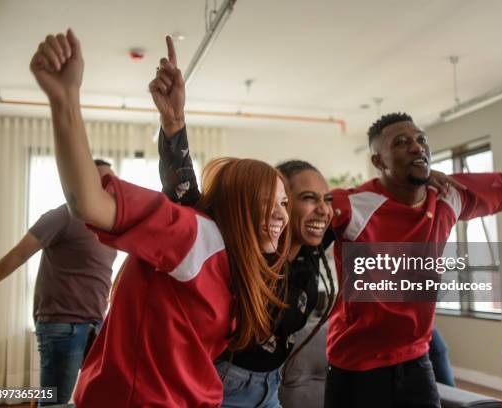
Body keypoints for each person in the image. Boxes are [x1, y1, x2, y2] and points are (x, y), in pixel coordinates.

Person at [151, 37, 466, 407]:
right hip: (223, 387)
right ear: (278, 204)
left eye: (324, 199)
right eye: (304, 199)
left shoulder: (311, 250)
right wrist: (173, 125)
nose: (322, 209)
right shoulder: (241, 247)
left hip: (271, 387)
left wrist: (421, 174)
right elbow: (186, 200)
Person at [29, 29, 291, 407]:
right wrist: (64, 97)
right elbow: (87, 202)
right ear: (238, 203)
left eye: (284, 203)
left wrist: (175, 122)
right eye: (269, 200)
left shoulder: (241, 265)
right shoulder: (194, 237)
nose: (281, 215)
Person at [324, 112, 502, 407]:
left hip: (416, 359)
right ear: (379, 162)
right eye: (401, 143)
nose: (416, 147)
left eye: (421, 139)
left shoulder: (446, 195)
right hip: (356, 365)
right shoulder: (352, 205)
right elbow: (300, 218)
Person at [0, 160, 117, 406]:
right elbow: (17, 255)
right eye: (101, 179)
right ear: (84, 183)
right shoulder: (62, 216)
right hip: (62, 325)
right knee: (55, 400)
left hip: (96, 324)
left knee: (99, 394)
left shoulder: (111, 226)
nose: (109, 185)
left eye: (111, 179)